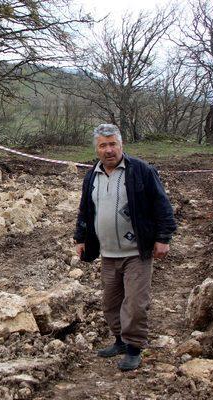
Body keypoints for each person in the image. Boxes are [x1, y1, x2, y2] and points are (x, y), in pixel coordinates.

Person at [74, 124, 177, 371]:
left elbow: (161, 205)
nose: (108, 150)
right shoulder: (92, 176)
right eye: (103, 145)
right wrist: (81, 238)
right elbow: (86, 210)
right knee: (110, 302)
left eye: (113, 144)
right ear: (96, 149)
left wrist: (163, 238)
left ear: (121, 145)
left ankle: (134, 348)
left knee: (135, 302)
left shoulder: (141, 171)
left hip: (136, 252)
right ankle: (119, 341)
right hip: (107, 253)